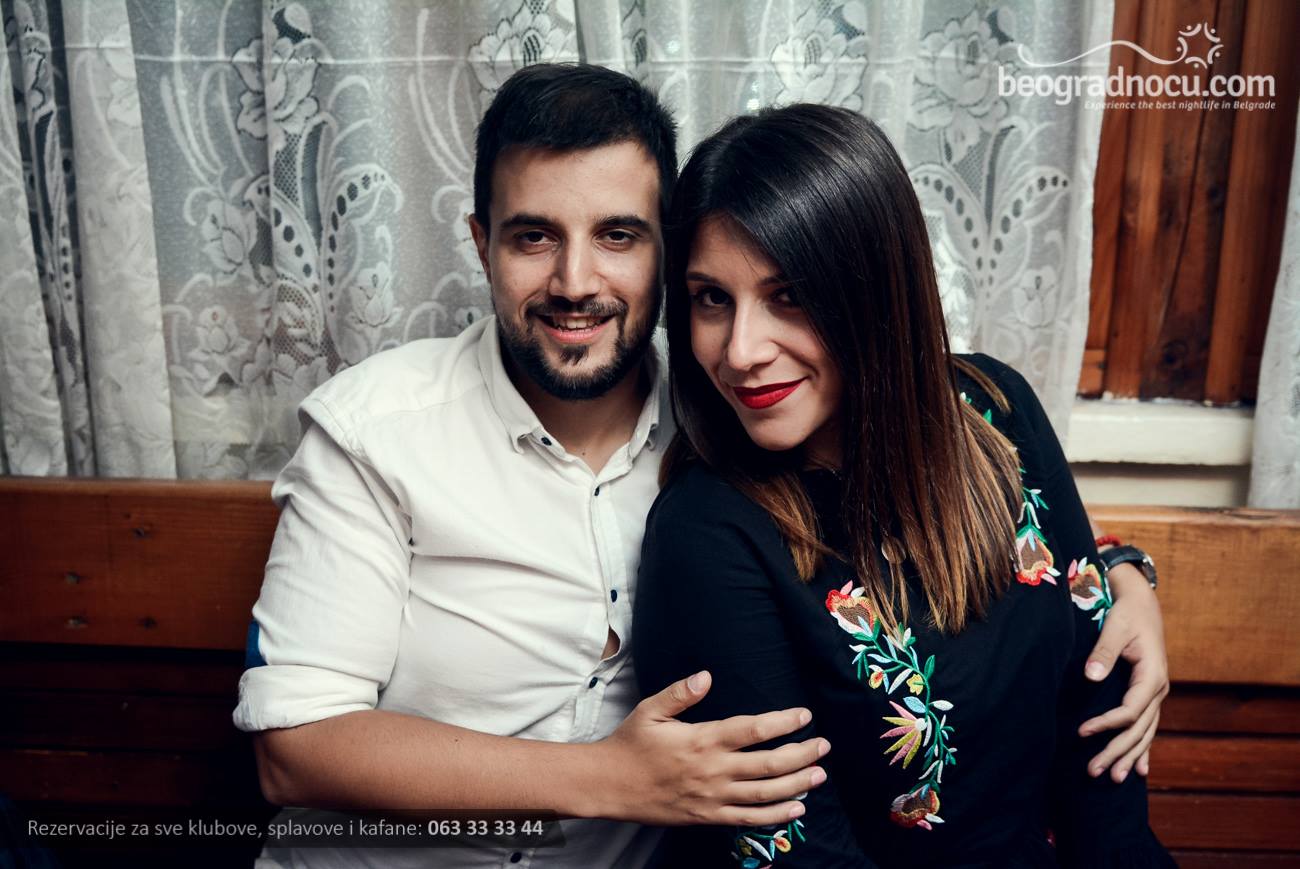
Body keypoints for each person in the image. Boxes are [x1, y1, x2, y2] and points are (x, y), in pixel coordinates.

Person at [235, 64, 1168, 868]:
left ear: (660, 253)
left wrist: (1123, 572)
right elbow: (294, 744)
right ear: (482, 244)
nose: (574, 282)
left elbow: (968, 515)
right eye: (532, 236)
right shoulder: (381, 432)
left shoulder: (738, 405)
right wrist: (604, 777)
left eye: (617, 235)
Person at [633, 104, 1175, 867]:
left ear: (875, 290)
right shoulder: (706, 531)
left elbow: (1101, 722)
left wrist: (1129, 571)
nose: (741, 350)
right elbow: (793, 852)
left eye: (789, 294)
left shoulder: (996, 410)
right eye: (711, 298)